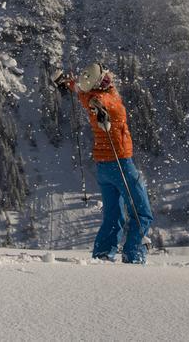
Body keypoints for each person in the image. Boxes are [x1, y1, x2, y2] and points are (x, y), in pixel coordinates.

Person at [54, 62, 154, 264]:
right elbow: (98, 102)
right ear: (100, 83)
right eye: (105, 78)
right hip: (121, 164)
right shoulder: (100, 98)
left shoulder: (87, 93)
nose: (109, 79)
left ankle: (103, 255)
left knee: (113, 214)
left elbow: (80, 89)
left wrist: (65, 82)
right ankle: (133, 256)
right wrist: (99, 110)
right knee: (142, 212)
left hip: (103, 167)